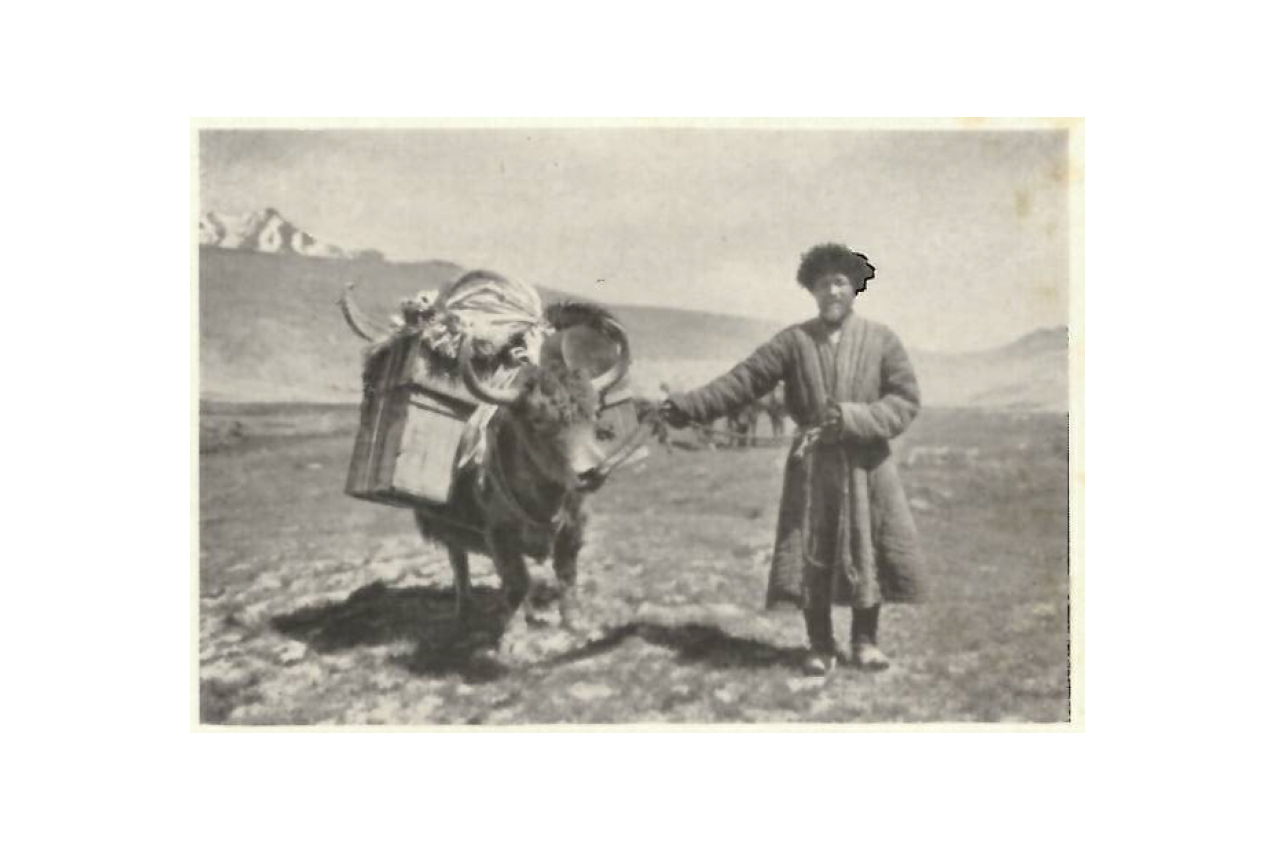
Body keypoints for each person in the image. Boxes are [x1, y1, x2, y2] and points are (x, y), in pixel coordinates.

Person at [660, 243, 925, 676]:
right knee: (812, 552)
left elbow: (905, 400)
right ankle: (820, 645)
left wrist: (857, 417)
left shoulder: (883, 341)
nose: (832, 292)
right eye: (823, 284)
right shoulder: (794, 341)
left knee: (867, 547)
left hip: (867, 466)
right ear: (813, 292)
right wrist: (689, 406)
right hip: (813, 466)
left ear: (854, 288)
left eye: (840, 282)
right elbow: (743, 381)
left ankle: (865, 642)